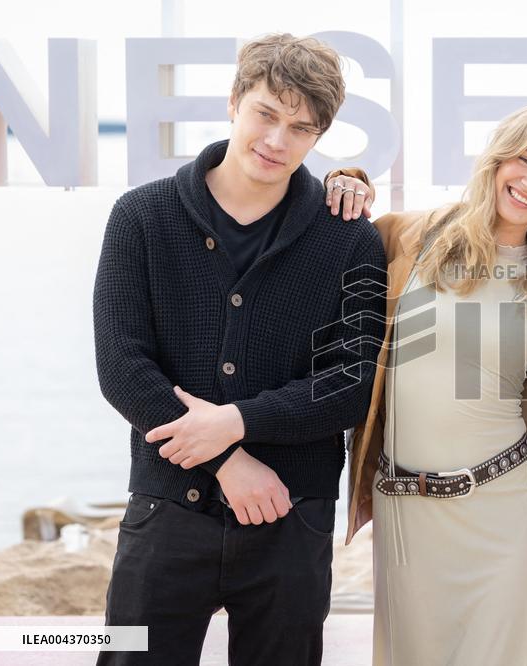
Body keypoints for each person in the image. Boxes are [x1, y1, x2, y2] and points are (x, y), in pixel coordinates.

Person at [92, 33, 385, 665]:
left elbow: (351, 382)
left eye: (302, 129)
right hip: (164, 508)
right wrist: (227, 458)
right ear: (234, 102)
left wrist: (236, 422)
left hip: (293, 513)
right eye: (266, 115)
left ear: (319, 137)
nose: (278, 141)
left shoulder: (349, 240)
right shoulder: (141, 217)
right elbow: (121, 366)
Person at [330, 102, 527, 665]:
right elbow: (322, 240)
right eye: (525, 161)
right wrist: (343, 179)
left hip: (504, 508)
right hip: (405, 508)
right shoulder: (410, 237)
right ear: (497, 158)